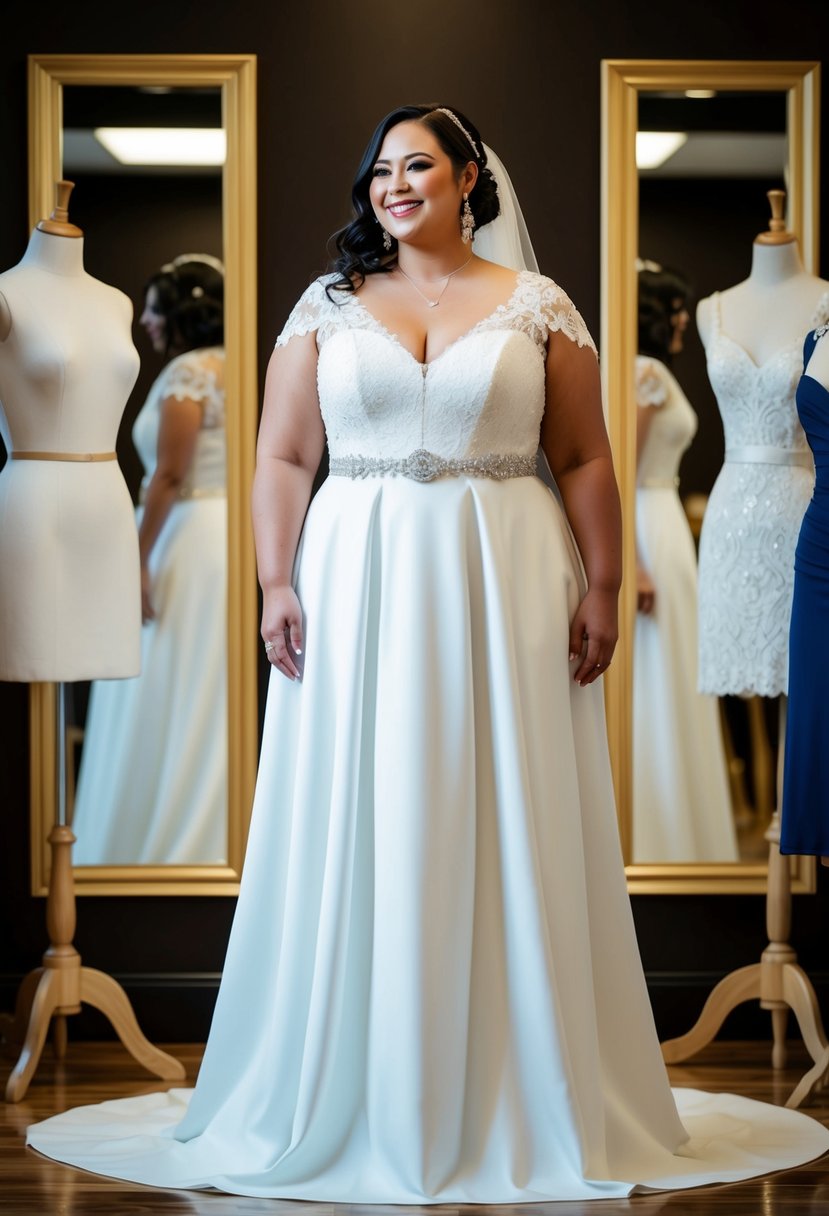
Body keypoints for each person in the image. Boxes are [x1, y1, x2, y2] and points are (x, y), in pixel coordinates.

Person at [28, 104, 829, 1200]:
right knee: (368, 802)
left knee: (498, 801)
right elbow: (280, 456)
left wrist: (601, 579)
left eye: (419, 166)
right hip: (353, 576)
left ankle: (516, 1078)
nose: (395, 186)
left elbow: (588, 456)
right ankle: (354, 1073)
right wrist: (274, 580)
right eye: (380, 173)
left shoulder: (540, 306)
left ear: (467, 181)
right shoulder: (326, 305)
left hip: (505, 572)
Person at [71, 255, 228, 866]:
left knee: (165, 679)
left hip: (181, 537)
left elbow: (167, 473)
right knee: (199, 685)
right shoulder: (238, 367)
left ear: (183, 311)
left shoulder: (188, 373)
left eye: (155, 306)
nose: (145, 319)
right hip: (218, 541)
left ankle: (158, 839)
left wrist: (136, 560)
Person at [633, 264, 738, 862]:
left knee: (673, 667)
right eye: (673, 308)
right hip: (651, 524)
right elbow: (625, 469)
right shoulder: (645, 373)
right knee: (659, 673)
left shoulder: (653, 372)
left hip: (666, 521)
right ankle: (663, 836)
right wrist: (638, 565)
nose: (681, 320)